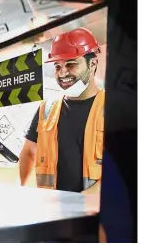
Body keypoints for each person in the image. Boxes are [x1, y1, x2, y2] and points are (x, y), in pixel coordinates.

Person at [19, 28, 104, 194]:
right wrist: (23, 190)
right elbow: (29, 152)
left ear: (92, 64)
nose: (62, 73)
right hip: (52, 209)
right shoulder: (46, 108)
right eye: (58, 66)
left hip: (96, 212)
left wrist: (87, 198)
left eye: (71, 64)